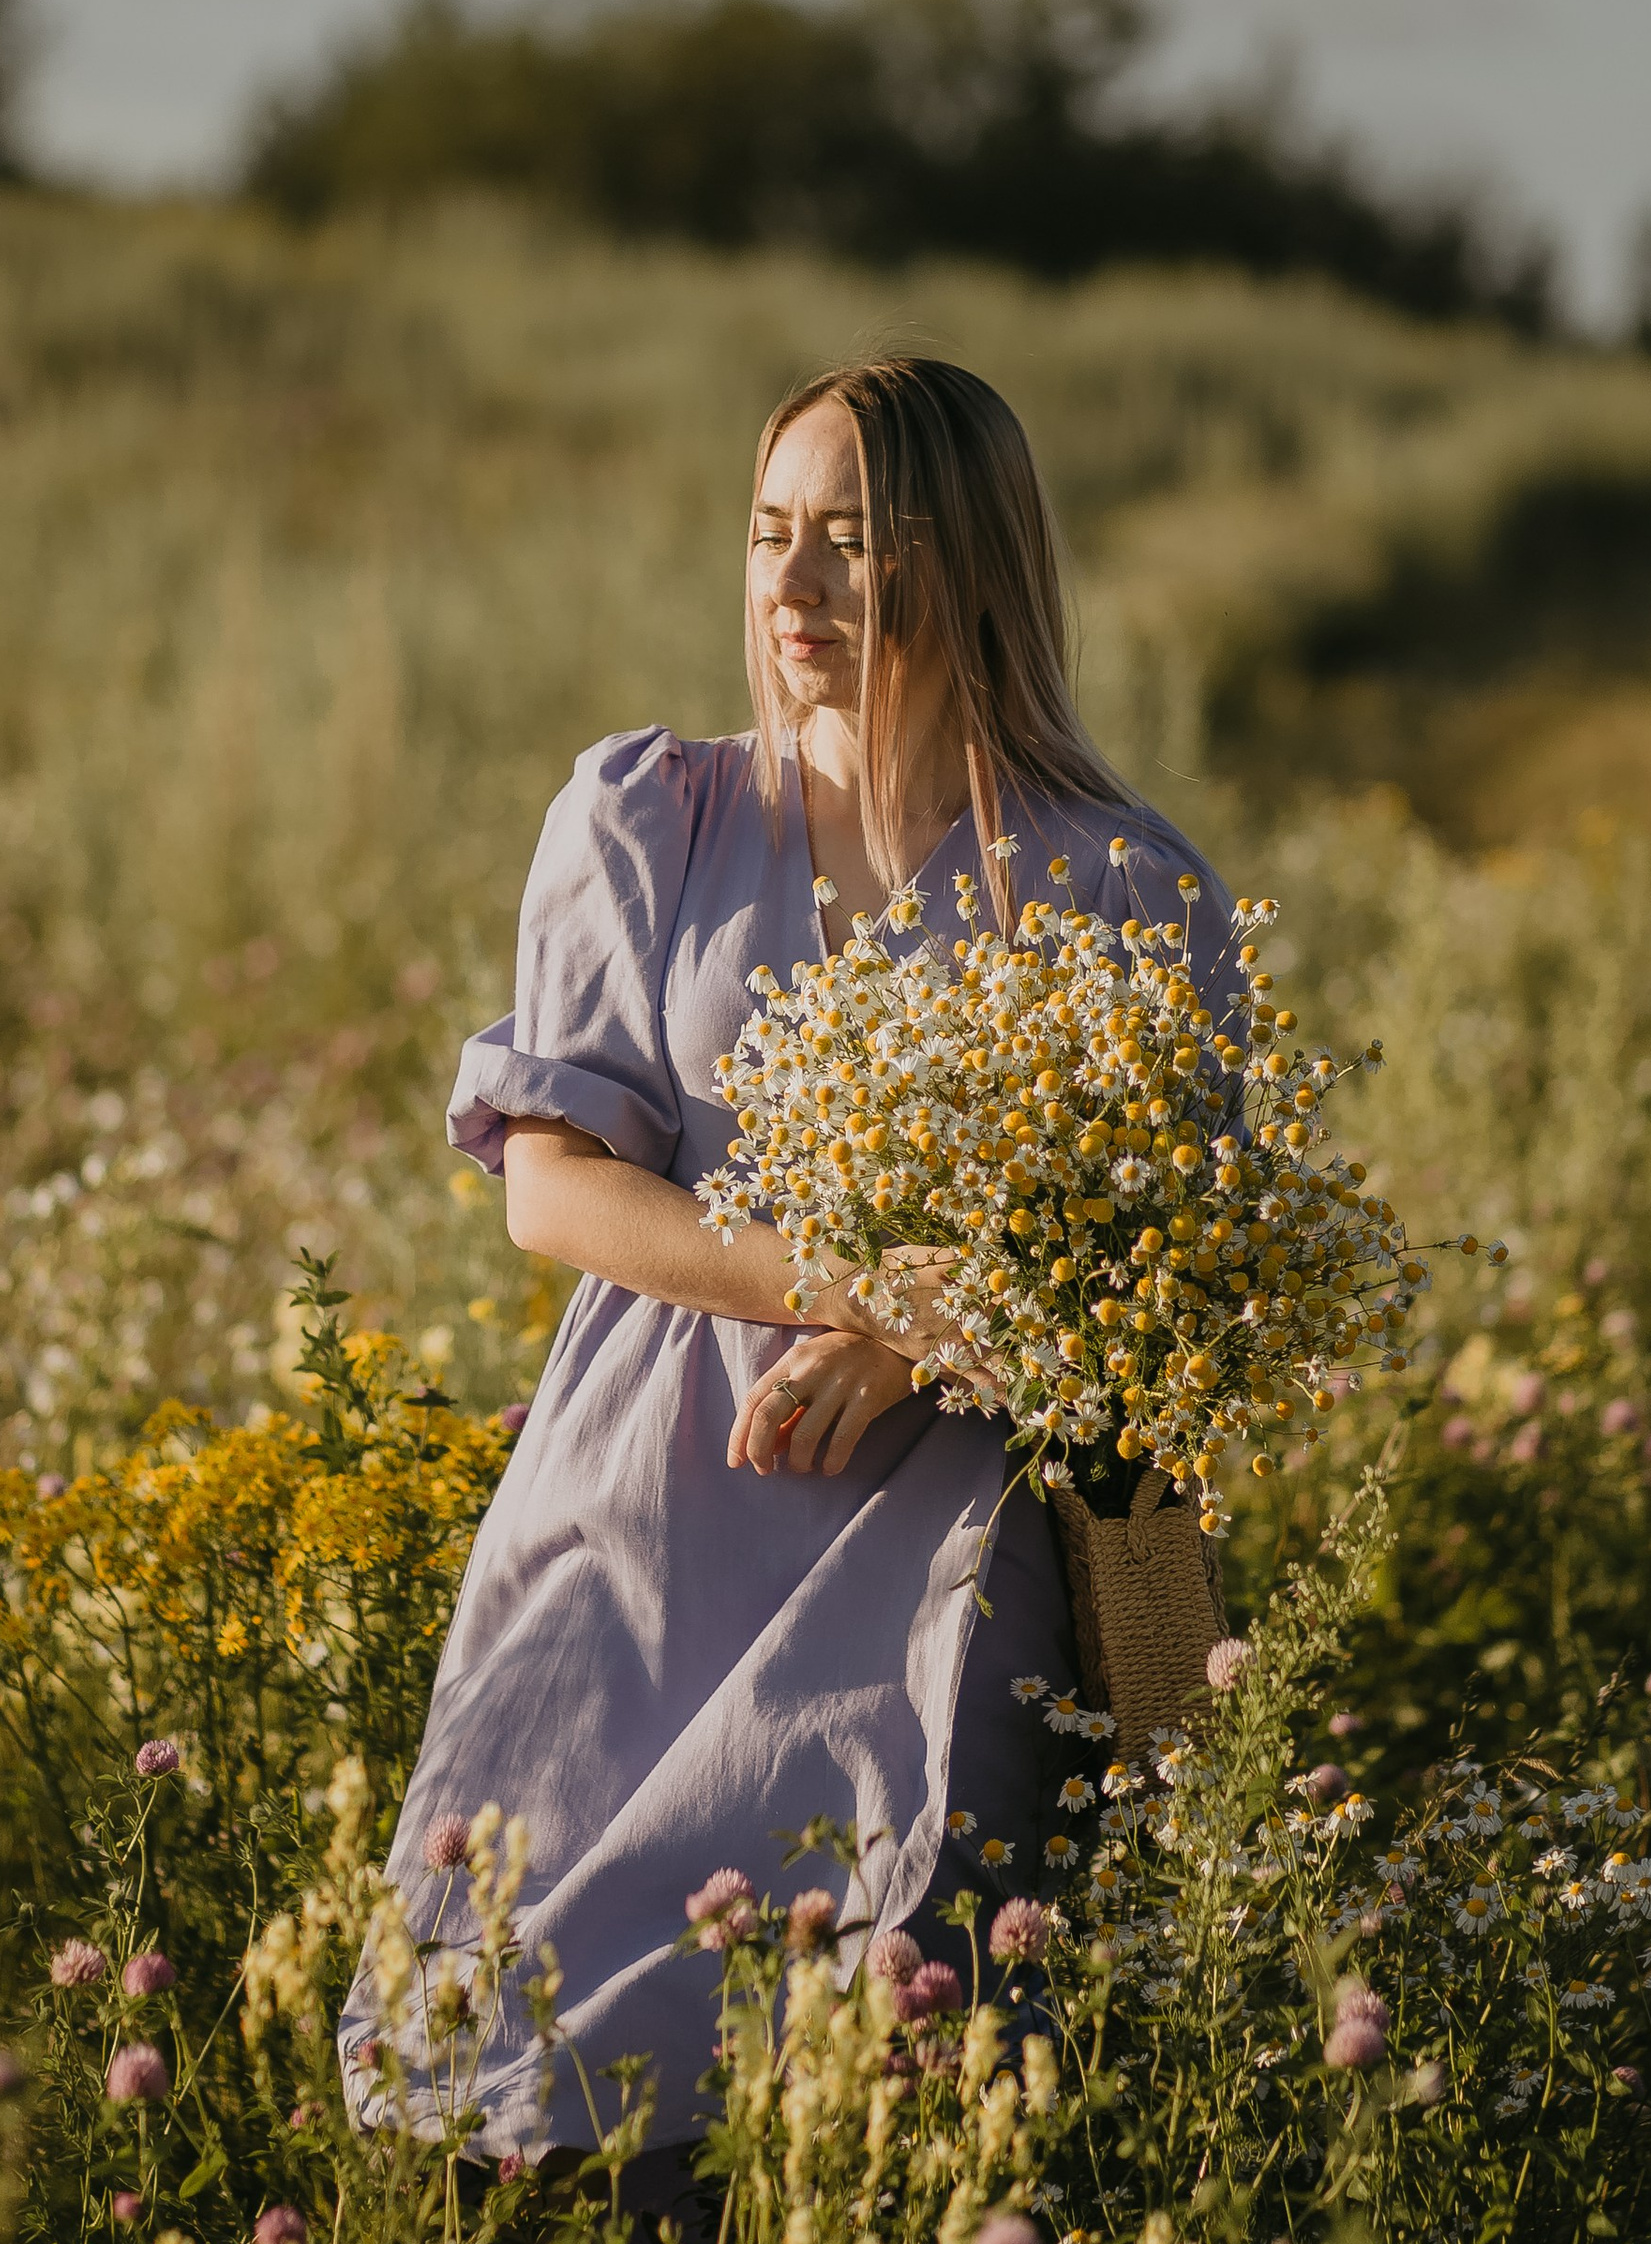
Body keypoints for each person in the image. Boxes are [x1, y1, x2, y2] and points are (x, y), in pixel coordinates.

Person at [339, 357, 1229, 2191]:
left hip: (947, 1547)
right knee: (527, 2043)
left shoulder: (1119, 886)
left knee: (877, 2058)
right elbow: (551, 1192)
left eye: (853, 539)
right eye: (769, 534)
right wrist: (854, 1288)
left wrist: (913, 1348)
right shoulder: (651, 818)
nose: (794, 584)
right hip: (647, 1500)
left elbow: (1177, 1264)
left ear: (971, 560)